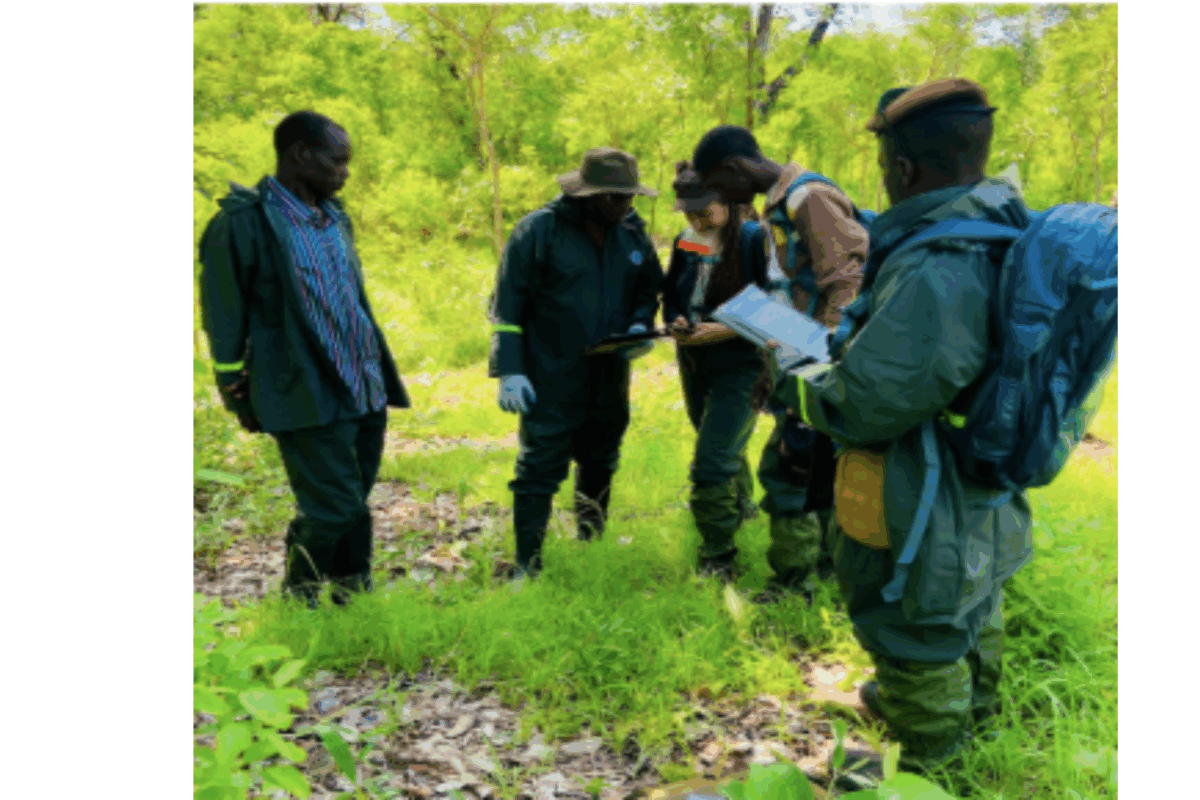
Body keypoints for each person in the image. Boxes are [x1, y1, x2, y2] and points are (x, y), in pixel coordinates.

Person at [768, 78, 1034, 787]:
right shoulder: (997, 223)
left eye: (886, 162)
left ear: (904, 170)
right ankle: (968, 726)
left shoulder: (940, 265)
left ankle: (927, 768)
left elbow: (865, 403)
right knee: (971, 599)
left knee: (917, 619)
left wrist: (793, 367)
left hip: (926, 479)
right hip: (974, 468)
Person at [198, 110, 411, 608]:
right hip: (300, 386)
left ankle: (352, 596)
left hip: (361, 380)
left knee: (350, 499)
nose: (346, 172)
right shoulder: (242, 224)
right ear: (301, 155)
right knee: (335, 506)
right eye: (338, 161)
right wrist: (234, 389)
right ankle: (300, 598)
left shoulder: (336, 219)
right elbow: (222, 313)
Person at [691, 125, 868, 598]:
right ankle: (832, 573)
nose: (720, 198)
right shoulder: (778, 206)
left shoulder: (807, 197)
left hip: (821, 360)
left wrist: (826, 361)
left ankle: (793, 585)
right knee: (818, 467)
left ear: (735, 169)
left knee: (787, 468)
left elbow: (846, 281)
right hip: (797, 356)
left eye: (717, 185)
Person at [488, 147, 664, 578]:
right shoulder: (538, 231)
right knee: (539, 468)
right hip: (549, 374)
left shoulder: (632, 235)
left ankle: (591, 547)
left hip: (609, 374)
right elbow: (507, 306)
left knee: (601, 458)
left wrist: (642, 326)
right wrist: (509, 369)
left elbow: (647, 290)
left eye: (630, 196)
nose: (627, 205)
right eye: (617, 197)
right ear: (590, 194)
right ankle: (528, 562)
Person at [660, 161, 773, 578]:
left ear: (727, 203)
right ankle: (742, 510)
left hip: (743, 363)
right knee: (721, 441)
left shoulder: (752, 240)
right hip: (694, 360)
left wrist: (725, 329)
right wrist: (676, 320)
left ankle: (718, 556)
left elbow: (775, 309)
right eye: (689, 213)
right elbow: (673, 291)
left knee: (711, 461)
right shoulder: (688, 241)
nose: (696, 220)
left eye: (704, 211)